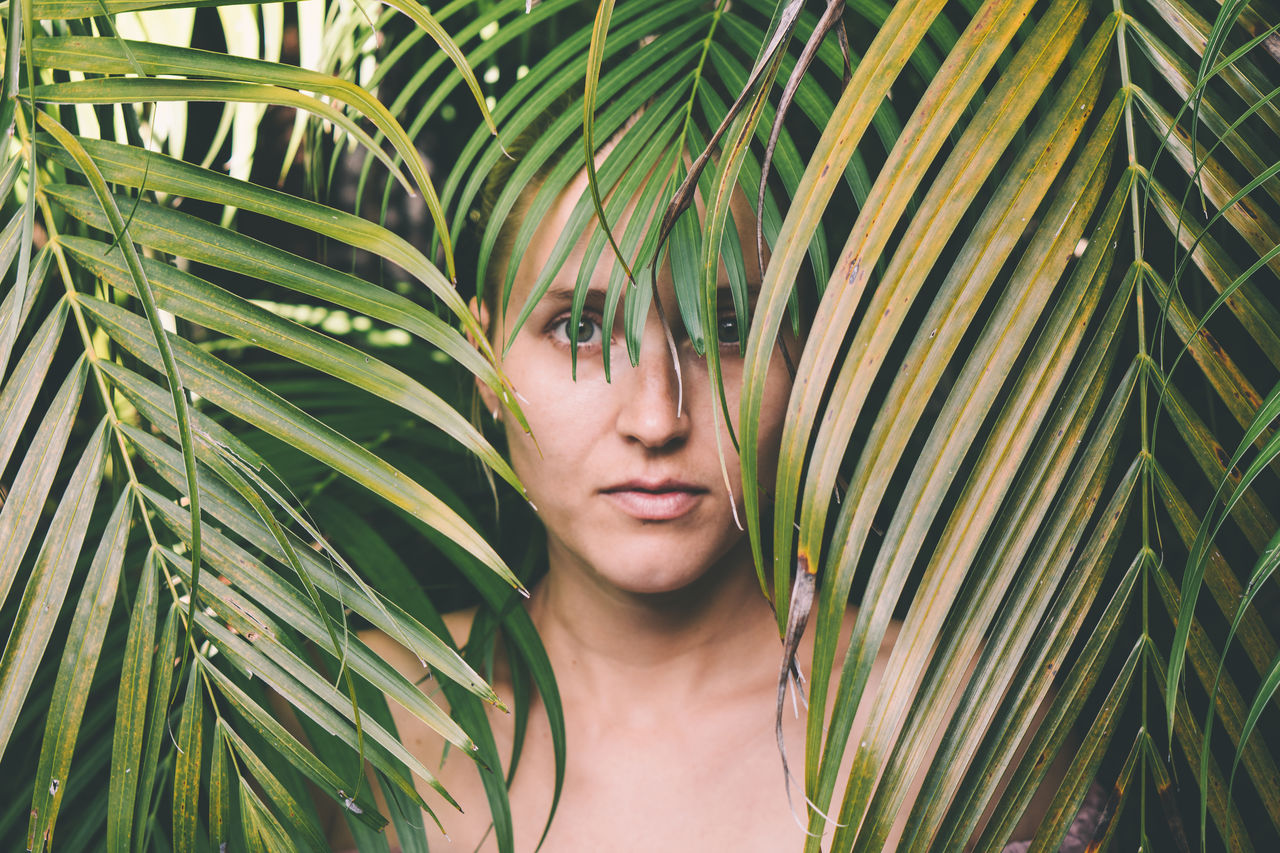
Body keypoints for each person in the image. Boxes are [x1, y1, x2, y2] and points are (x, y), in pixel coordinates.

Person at [331, 129, 1092, 852]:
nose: (657, 416)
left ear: (806, 349)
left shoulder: (959, 725)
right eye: (582, 328)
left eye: (726, 325)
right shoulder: (361, 716)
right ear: (482, 359)